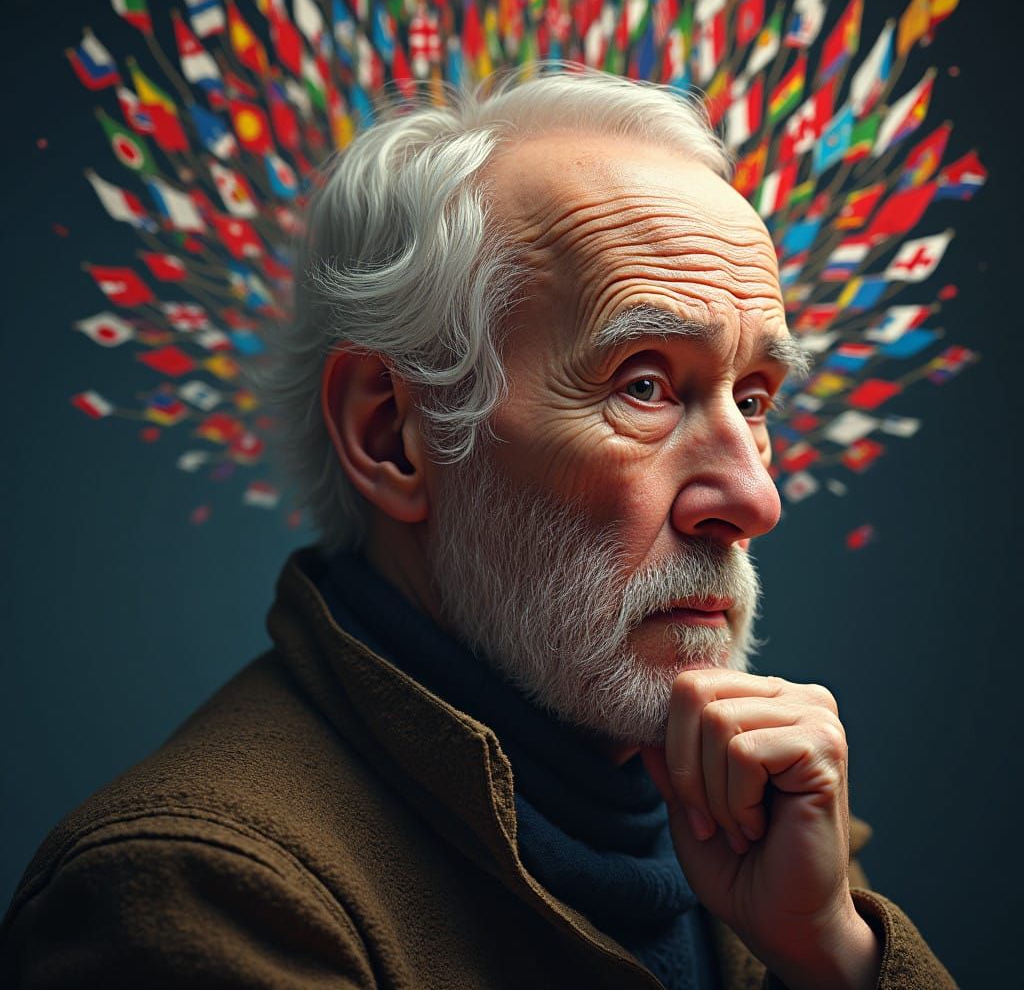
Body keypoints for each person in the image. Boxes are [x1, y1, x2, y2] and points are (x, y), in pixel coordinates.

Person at [1, 67, 956, 988]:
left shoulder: (771, 812)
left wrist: (832, 953)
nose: (754, 499)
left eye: (754, 397)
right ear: (393, 434)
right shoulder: (211, 890)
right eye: (645, 386)